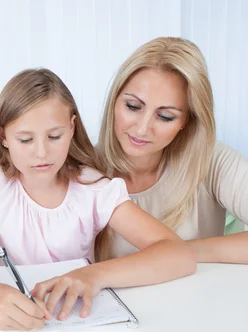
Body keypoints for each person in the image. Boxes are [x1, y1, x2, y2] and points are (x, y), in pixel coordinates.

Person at [0, 68, 195, 331]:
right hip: (10, 331)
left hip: (76, 327)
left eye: (54, 136)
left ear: (72, 128)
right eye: (25, 139)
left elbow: (178, 255)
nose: (41, 152)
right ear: (3, 137)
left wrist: (94, 275)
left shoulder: (93, 188)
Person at [96, 37, 248, 264]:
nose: (142, 128)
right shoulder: (82, 170)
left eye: (165, 116)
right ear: (114, 100)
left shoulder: (212, 160)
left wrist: (171, 253)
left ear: (187, 120)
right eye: (133, 106)